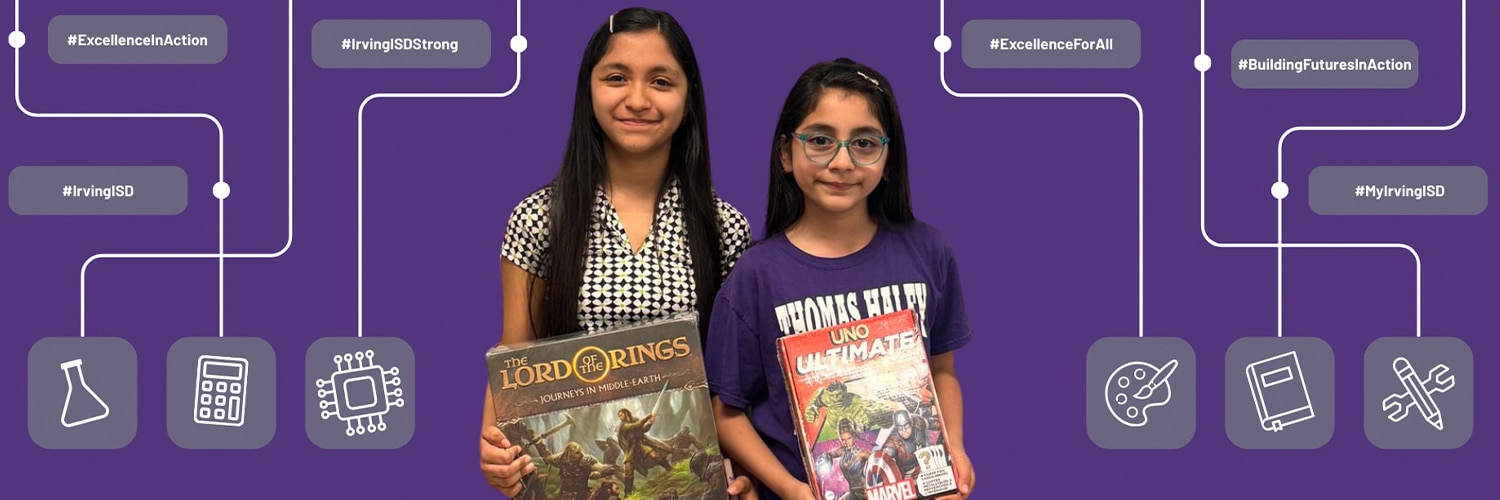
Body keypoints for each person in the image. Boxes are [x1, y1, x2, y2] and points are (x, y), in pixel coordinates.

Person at [479, 7, 754, 497]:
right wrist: (498, 449)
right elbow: (515, 354)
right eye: (617, 77)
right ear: (589, 90)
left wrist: (748, 475)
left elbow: (736, 383)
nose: (638, 99)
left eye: (661, 81)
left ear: (689, 98)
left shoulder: (725, 228)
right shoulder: (539, 218)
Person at [705, 58, 975, 500]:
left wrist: (954, 451)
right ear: (785, 154)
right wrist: (789, 488)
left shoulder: (929, 251)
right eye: (820, 141)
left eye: (864, 143)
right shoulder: (756, 275)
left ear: (888, 159)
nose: (842, 162)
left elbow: (942, 372)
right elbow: (726, 414)